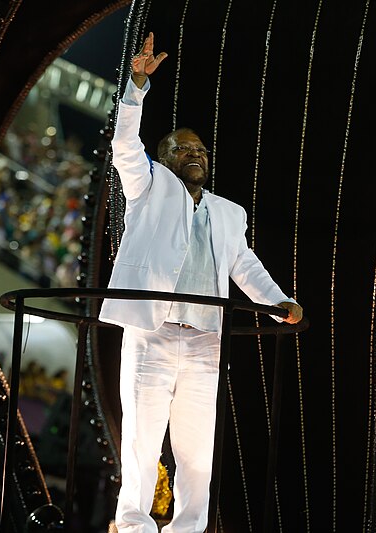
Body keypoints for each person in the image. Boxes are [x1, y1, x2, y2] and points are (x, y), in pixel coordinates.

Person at [100, 32, 302, 533]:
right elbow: (124, 145)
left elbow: (245, 265)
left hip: (204, 342)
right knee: (144, 437)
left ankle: (189, 528)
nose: (196, 155)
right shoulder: (148, 186)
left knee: (196, 446)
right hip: (153, 329)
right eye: (183, 148)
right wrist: (137, 87)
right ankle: (134, 524)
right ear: (165, 158)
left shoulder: (228, 213)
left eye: (202, 150)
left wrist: (278, 301)